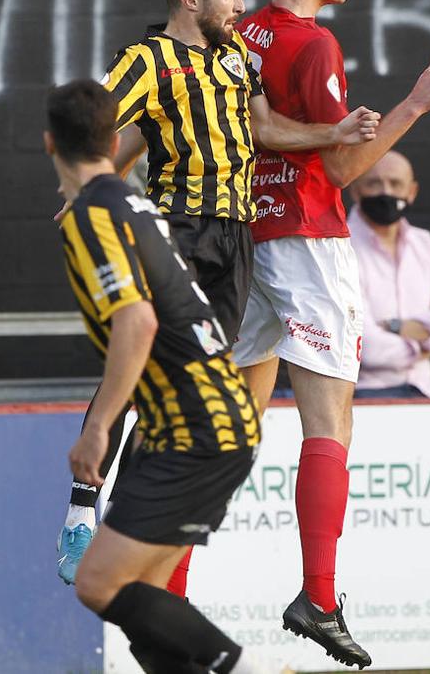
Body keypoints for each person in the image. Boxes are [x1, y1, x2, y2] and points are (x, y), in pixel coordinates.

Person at [57, 0, 379, 589]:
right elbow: (98, 128)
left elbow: (264, 130)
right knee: (145, 364)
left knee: (192, 397)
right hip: (176, 232)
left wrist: (332, 133)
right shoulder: (148, 60)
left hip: (237, 244)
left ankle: (144, 536)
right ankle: (81, 513)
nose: (240, 2)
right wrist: (81, 191)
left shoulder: (234, 57)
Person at [234, 0, 430, 669]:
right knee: (328, 426)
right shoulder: (311, 42)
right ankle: (319, 597)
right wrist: (415, 106)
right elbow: (346, 171)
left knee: (226, 433)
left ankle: (165, 573)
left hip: (248, 237)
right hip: (306, 239)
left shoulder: (248, 31)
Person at [46, 80, 272, 674]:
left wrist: (97, 429)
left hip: (195, 426)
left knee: (98, 584)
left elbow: (137, 322)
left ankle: (247, 668)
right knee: (142, 604)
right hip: (207, 420)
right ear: (114, 139)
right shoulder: (134, 202)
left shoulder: (93, 213)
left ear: (50, 144)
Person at [349, 151, 430, 399]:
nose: (386, 192)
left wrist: (397, 327)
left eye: (395, 184)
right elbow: (365, 347)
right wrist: (427, 340)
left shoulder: (424, 244)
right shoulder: (339, 247)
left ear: (412, 192)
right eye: (374, 183)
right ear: (355, 190)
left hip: (428, 387)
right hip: (365, 390)